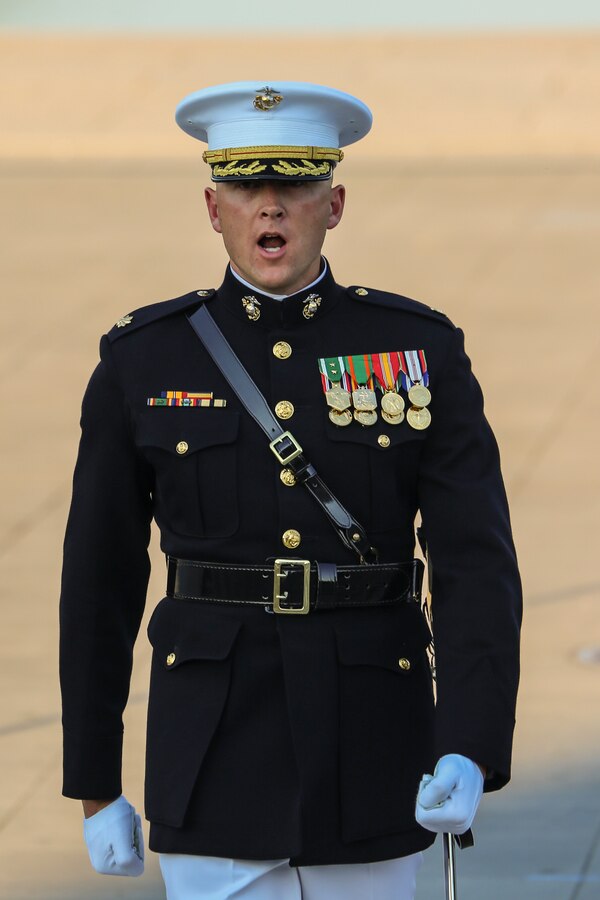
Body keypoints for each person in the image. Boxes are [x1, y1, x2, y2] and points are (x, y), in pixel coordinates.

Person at [60, 81, 521, 900]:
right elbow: (98, 584)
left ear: (334, 204)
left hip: (376, 753)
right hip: (213, 760)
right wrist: (95, 783)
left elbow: (474, 564)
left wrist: (469, 745)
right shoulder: (145, 362)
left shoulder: (418, 352)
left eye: (295, 187)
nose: (268, 209)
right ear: (212, 207)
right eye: (244, 187)